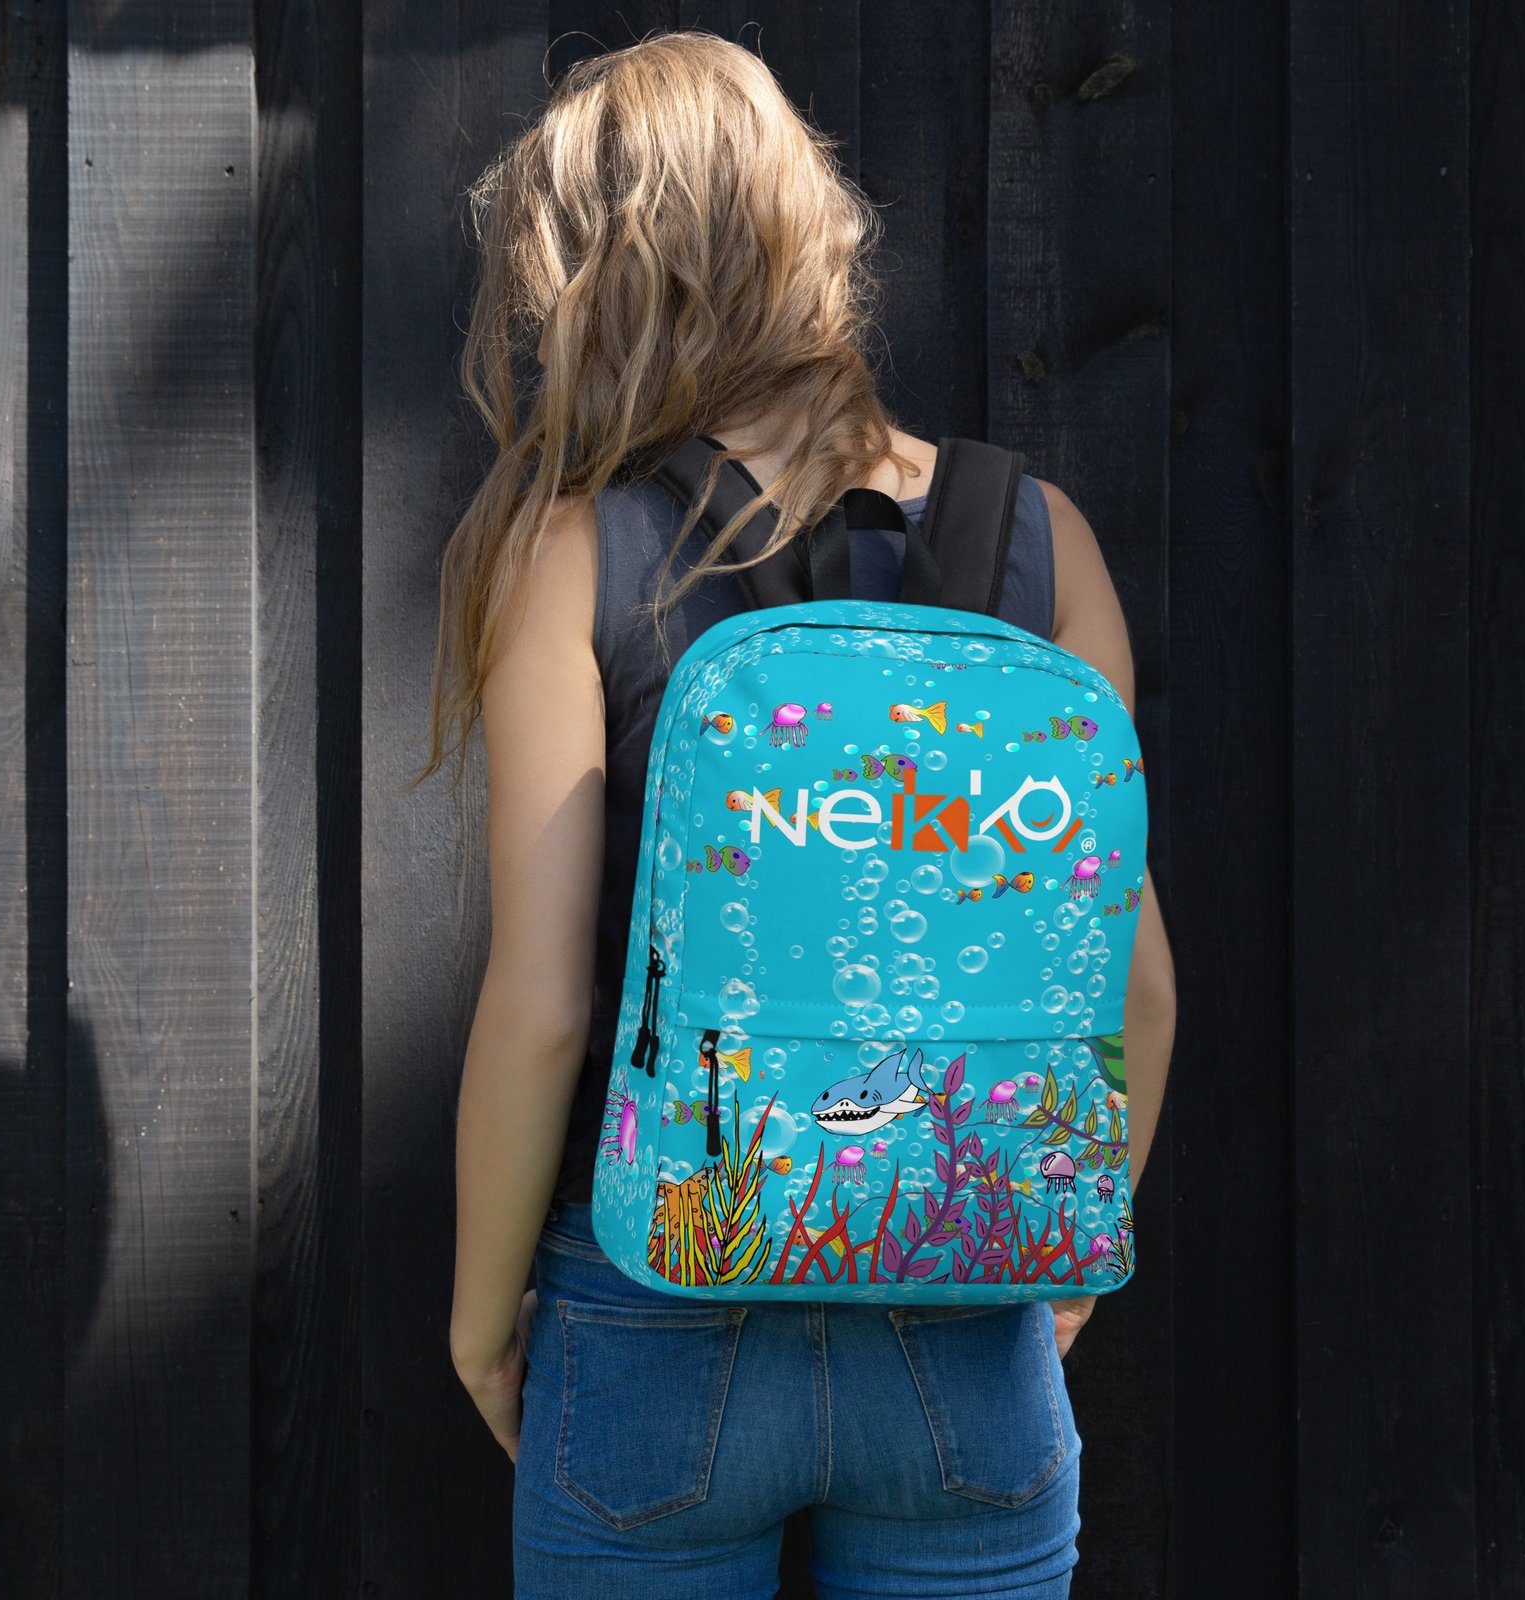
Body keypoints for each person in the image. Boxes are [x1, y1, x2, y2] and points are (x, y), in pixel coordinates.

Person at [426, 30, 1177, 1600]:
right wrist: (1061, 1278)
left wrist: (483, 1325)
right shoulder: (1042, 539)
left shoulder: (576, 550)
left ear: (595, 282)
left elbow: (546, 1007)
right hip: (964, 1306)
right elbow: (1139, 988)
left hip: (655, 1295)